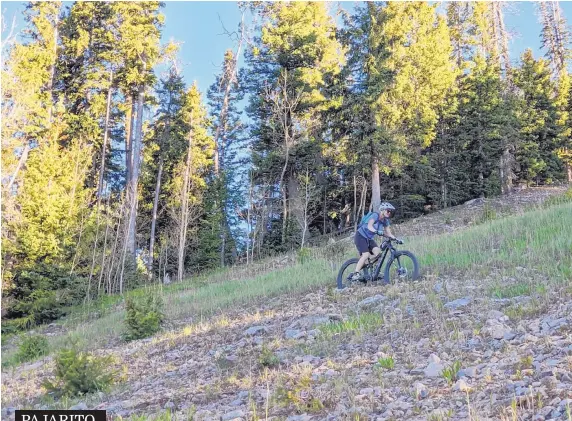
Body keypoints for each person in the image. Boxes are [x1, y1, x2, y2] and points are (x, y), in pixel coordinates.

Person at [349, 202, 400, 282]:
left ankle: (368, 265)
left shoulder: (385, 221)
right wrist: (377, 231)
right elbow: (369, 226)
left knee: (379, 253)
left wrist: (396, 239)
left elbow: (388, 233)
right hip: (360, 236)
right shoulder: (375, 215)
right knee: (366, 254)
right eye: (388, 211)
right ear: (382, 210)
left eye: (390, 212)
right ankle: (356, 273)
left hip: (369, 239)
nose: (389, 213)